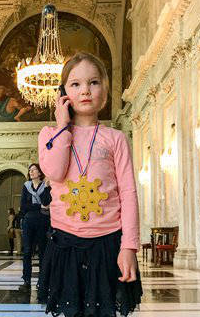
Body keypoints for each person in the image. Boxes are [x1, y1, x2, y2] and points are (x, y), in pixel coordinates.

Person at [37, 52, 142, 316]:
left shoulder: (115, 138)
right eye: (75, 84)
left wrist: (128, 246)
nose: (85, 90)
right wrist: (62, 126)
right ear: (63, 92)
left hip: (107, 244)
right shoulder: (50, 135)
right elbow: (55, 171)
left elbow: (128, 193)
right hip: (64, 243)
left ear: (104, 89)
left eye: (93, 82)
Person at [19, 163, 51, 291]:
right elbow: (23, 206)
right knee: (27, 251)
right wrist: (39, 207)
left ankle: (42, 281)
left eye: (34, 170)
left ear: (40, 172)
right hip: (28, 222)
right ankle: (26, 280)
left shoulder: (46, 186)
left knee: (43, 252)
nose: (31, 172)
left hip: (43, 222)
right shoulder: (26, 186)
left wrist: (47, 188)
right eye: (30, 170)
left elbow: (46, 202)